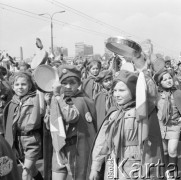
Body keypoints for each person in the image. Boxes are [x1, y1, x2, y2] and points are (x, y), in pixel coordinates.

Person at [49, 65, 97, 180]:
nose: (68, 87)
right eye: (64, 83)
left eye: (72, 83)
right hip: (59, 147)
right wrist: (50, 103)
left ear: (79, 84)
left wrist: (57, 97)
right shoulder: (57, 99)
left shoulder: (82, 99)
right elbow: (48, 123)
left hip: (75, 149)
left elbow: (71, 117)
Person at [3, 72, 43, 180]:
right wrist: (12, 145)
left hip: (32, 140)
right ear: (12, 86)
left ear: (29, 86)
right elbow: (9, 128)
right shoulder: (12, 103)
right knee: (33, 170)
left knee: (26, 172)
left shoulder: (36, 98)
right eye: (17, 84)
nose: (20, 87)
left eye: (23, 84)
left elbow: (43, 109)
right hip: (18, 141)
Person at [154, 68, 181, 179]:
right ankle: (166, 170)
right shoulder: (157, 94)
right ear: (160, 82)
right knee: (164, 150)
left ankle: (172, 171)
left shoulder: (178, 93)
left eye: (169, 78)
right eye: (164, 79)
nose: (168, 81)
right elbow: (153, 108)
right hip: (161, 126)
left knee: (172, 150)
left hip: (174, 126)